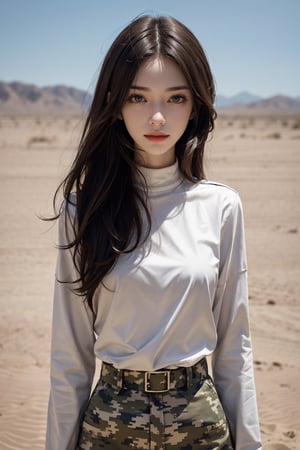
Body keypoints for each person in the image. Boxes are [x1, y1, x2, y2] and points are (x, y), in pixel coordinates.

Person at [46, 14, 262, 450]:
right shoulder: (82, 209)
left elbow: (234, 349)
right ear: (114, 102)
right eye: (138, 97)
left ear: (197, 104)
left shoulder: (221, 207)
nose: (157, 116)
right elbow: (69, 357)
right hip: (110, 427)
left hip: (199, 426)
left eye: (176, 97)